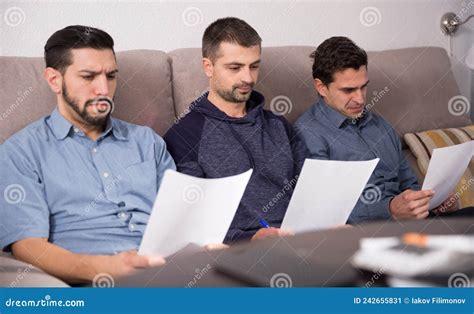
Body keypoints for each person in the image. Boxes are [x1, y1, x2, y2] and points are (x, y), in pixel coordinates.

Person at [0, 25, 175, 284]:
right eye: (88, 76)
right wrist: (107, 268)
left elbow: (177, 220)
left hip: (167, 273)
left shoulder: (147, 141)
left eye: (111, 76)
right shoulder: (21, 152)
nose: (104, 89)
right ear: (54, 80)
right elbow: (28, 247)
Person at [164, 17, 307, 243]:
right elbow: (191, 222)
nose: (248, 78)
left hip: (300, 241)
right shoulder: (185, 135)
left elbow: (309, 192)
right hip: (239, 251)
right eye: (235, 68)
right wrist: (249, 239)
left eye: (254, 66)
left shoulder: (279, 126)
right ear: (208, 67)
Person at [294, 36, 466, 223]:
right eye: (348, 90)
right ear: (321, 87)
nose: (360, 99)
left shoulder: (380, 124)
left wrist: (430, 203)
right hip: (366, 234)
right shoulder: (307, 134)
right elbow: (323, 210)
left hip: (414, 224)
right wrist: (389, 209)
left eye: (363, 87)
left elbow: (409, 184)